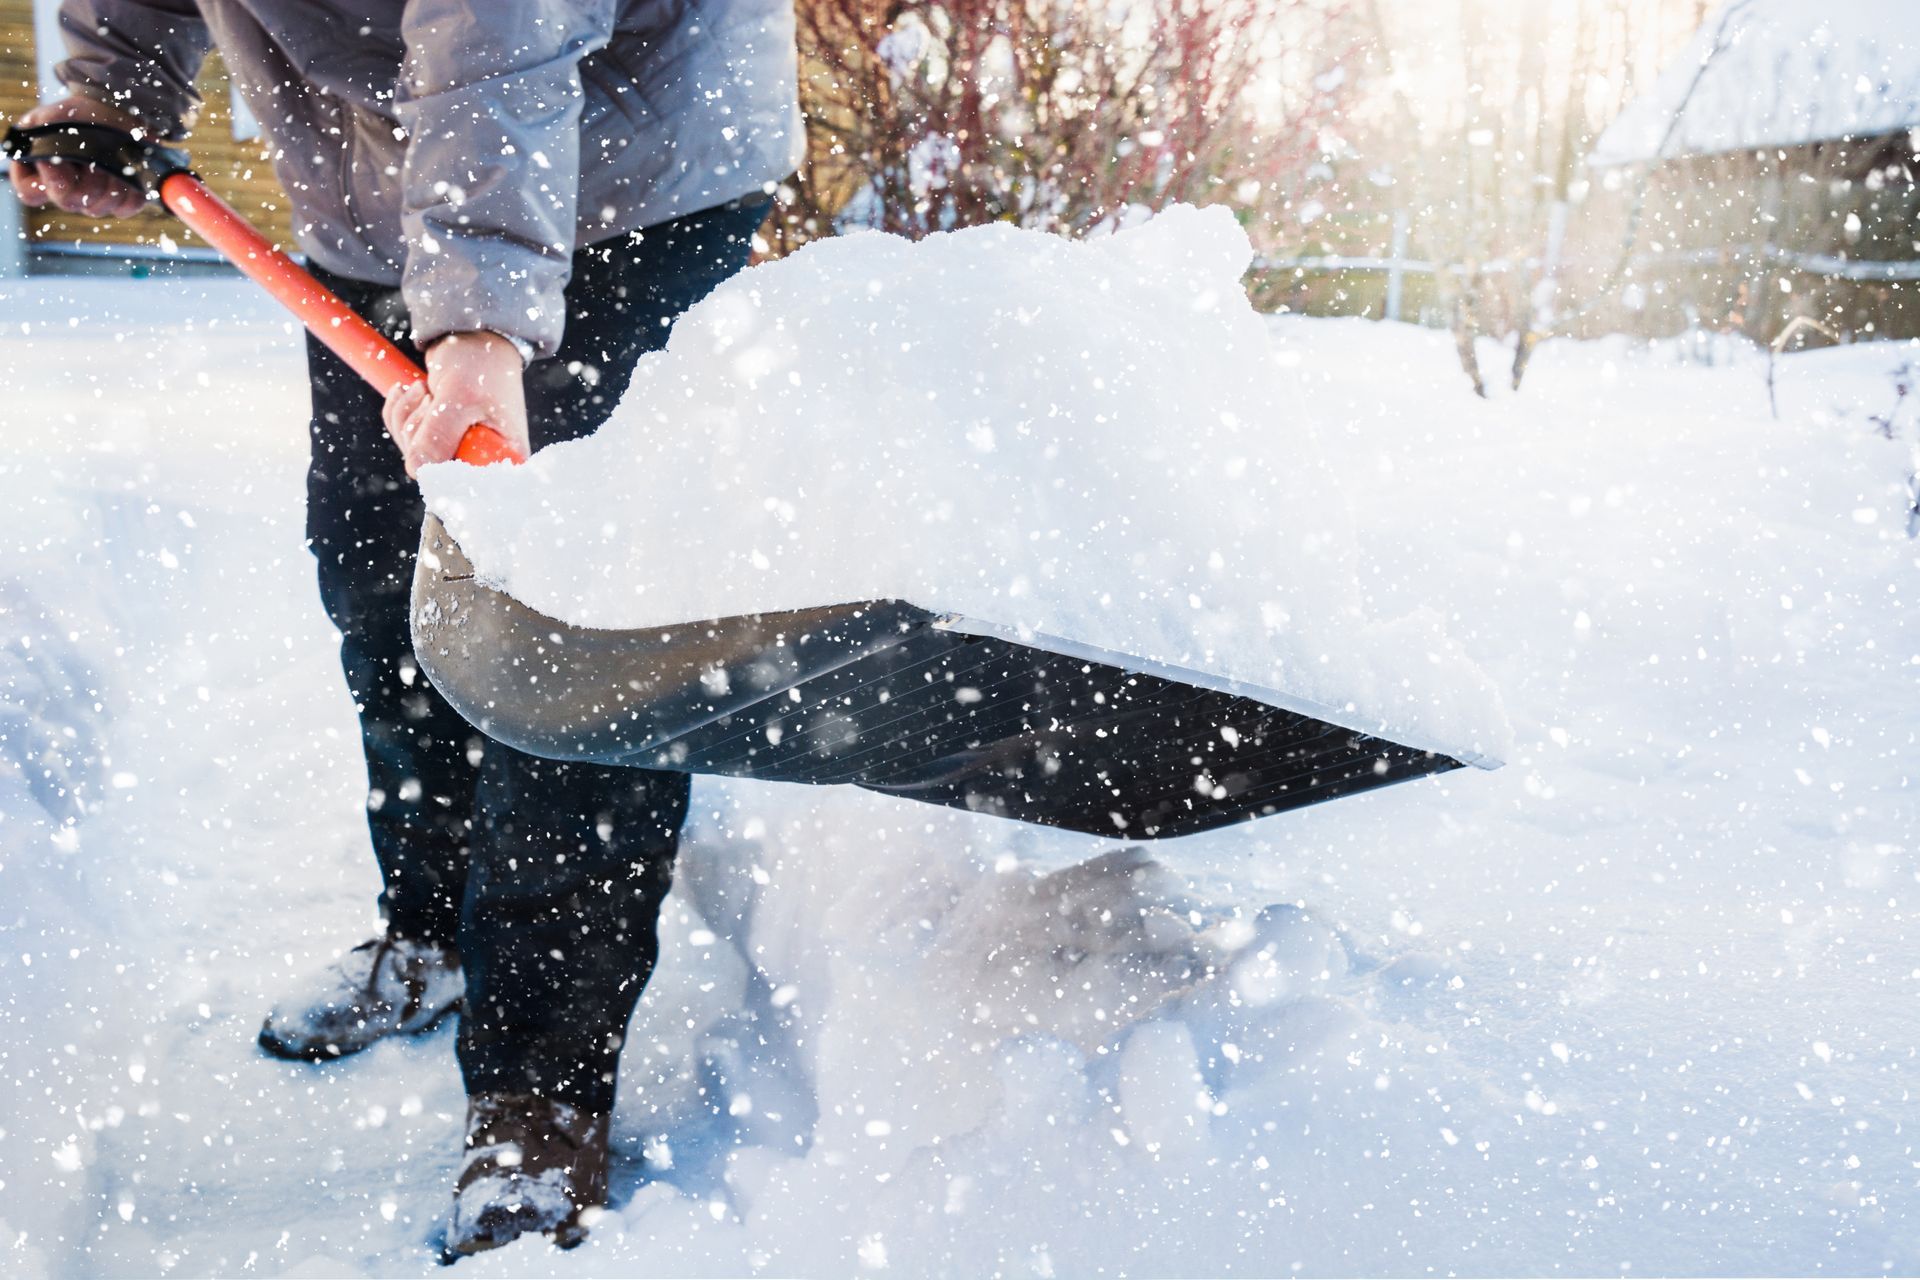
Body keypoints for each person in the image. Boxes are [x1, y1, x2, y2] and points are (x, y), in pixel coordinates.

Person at [9, 0, 801, 1257]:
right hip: (374, 194)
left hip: (629, 165)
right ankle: (430, 927)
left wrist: (478, 325)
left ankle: (540, 1085)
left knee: (565, 626)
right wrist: (116, 83)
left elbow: (502, 33)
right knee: (382, 573)